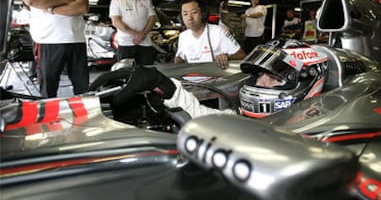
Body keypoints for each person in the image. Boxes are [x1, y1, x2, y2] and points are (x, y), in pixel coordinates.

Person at [90, 39, 328, 119]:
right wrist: (162, 84)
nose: (261, 83)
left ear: (305, 84)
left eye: (274, 78)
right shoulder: (244, 119)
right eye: (261, 75)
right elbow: (204, 117)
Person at [19, 0, 89, 98]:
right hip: (47, 43)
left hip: (75, 41)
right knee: (48, 90)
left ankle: (85, 119)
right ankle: (48, 121)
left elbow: (82, 7)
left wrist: (48, 7)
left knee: (83, 89)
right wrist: (67, 0)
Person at [174, 0, 246, 69]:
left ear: (203, 14)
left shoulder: (218, 31)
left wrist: (227, 57)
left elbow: (242, 55)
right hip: (192, 78)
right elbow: (180, 57)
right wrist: (177, 62)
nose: (189, 17)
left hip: (215, 78)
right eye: (185, 14)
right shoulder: (183, 36)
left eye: (194, 12)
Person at [109, 0, 157, 65]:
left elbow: (152, 18)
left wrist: (142, 34)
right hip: (126, 44)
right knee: (127, 75)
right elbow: (116, 21)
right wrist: (137, 34)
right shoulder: (116, 0)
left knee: (147, 73)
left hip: (145, 44)